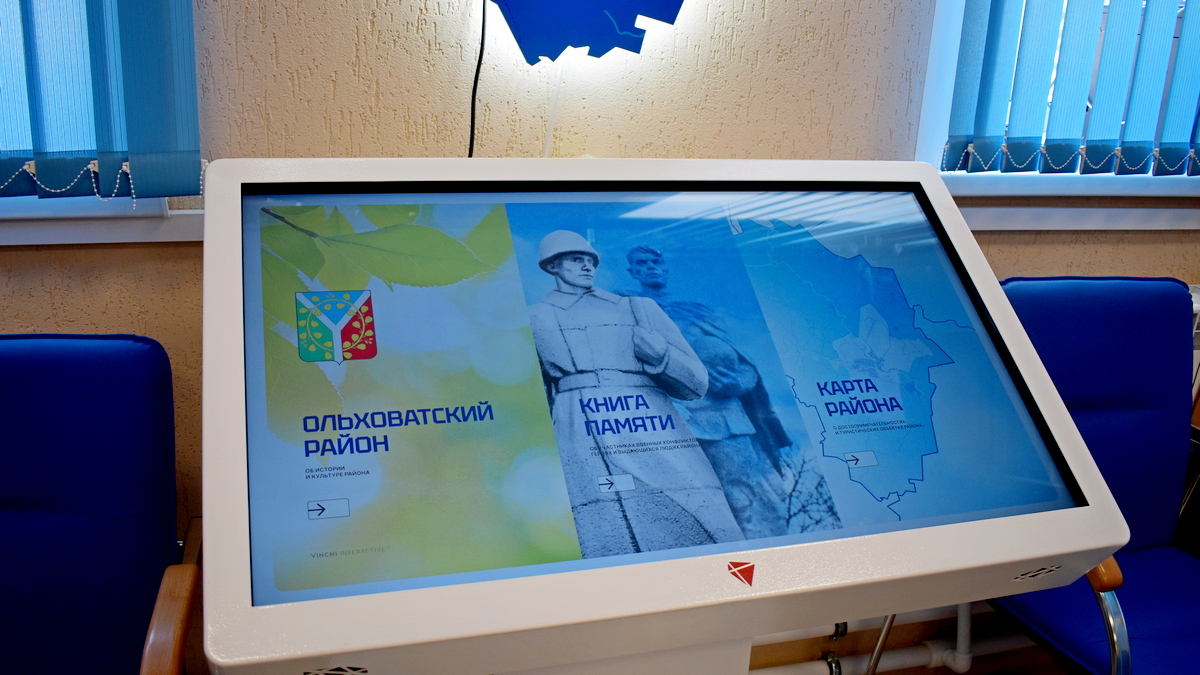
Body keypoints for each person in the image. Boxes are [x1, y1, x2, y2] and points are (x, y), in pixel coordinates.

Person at [527, 231, 744, 557]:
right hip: (577, 424)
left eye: (591, 261)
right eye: (576, 260)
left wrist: (662, 358)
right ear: (552, 266)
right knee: (608, 527)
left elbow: (697, 383)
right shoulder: (535, 318)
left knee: (702, 517)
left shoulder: (638, 308)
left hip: (651, 421)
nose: (587, 267)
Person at [624, 245, 791, 538]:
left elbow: (745, 364)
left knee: (750, 495)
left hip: (725, 419)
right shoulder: (628, 312)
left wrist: (738, 382)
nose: (651, 266)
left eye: (656, 261)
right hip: (668, 417)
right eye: (642, 263)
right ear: (633, 272)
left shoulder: (698, 312)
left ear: (665, 268)